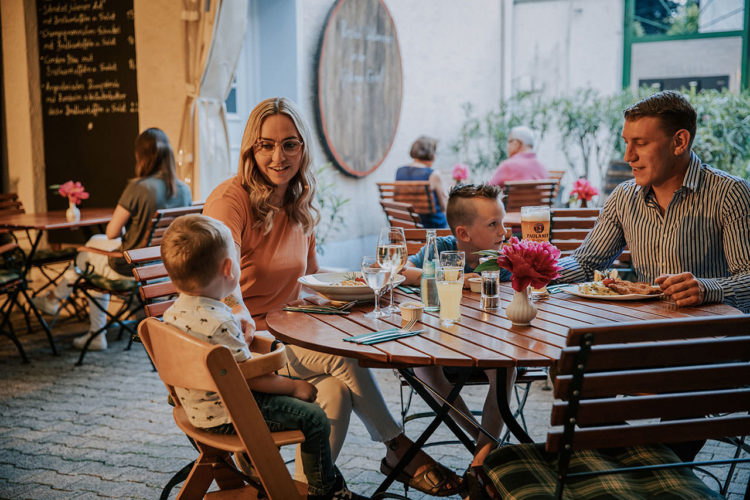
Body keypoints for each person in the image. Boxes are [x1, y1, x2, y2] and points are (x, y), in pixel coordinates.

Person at [204, 97, 462, 497]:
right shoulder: (231, 199)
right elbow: (221, 275)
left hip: (292, 332)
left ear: (303, 148)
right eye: (266, 145)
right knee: (345, 353)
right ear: (250, 150)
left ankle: (305, 493)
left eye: (290, 144)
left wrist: (380, 276)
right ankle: (398, 447)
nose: (278, 156)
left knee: (336, 393)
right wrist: (241, 313)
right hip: (249, 347)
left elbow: (311, 274)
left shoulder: (295, 199)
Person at [555, 90, 750, 461]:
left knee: (682, 382)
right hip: (642, 336)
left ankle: (653, 468)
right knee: (570, 369)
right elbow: (586, 261)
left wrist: (706, 288)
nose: (628, 156)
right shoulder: (625, 197)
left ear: (680, 141)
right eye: (626, 143)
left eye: (640, 144)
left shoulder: (730, 194)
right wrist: (540, 270)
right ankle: (646, 466)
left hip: (712, 345)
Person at [159, 214, 365, 500]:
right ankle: (323, 491)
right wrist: (295, 387)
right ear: (230, 268)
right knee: (314, 417)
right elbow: (251, 378)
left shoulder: (171, 315)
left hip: (194, 408)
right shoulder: (219, 321)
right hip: (232, 414)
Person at [33, 128, 192, 351]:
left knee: (86, 253)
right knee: (90, 251)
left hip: (129, 266)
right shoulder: (183, 190)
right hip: (162, 266)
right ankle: (57, 300)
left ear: (142, 156)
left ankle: (61, 304)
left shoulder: (139, 187)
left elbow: (112, 232)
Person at [401, 183, 516, 484]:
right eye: (494, 224)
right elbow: (402, 271)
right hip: (443, 343)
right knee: (420, 366)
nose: (503, 231)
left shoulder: (504, 258)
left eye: (502, 222)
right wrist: (449, 276)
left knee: (506, 368)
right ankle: (483, 437)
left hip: (492, 343)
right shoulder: (442, 248)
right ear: (463, 234)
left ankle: (480, 457)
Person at [395, 136, 448, 228]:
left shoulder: (400, 171)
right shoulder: (433, 175)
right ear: (431, 154)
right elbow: (444, 206)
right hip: (432, 226)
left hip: (408, 225)